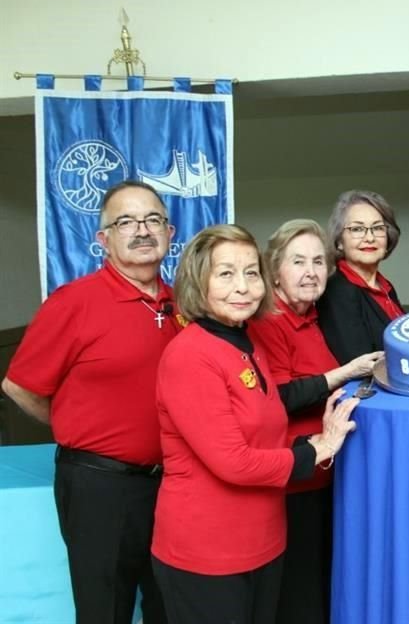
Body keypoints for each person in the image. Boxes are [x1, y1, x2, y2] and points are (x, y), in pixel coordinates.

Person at [150, 224, 359, 624]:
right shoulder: (190, 355)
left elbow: (267, 436)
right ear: (199, 281)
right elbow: (234, 462)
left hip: (264, 543)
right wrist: (319, 449)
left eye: (251, 272)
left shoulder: (246, 344)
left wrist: (317, 436)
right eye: (225, 273)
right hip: (207, 554)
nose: (243, 286)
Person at [2, 181, 177, 624]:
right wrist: (78, 430)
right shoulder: (73, 302)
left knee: (170, 604)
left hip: (173, 484)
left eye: (153, 219)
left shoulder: (184, 303)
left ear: (170, 233)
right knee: (105, 611)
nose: (142, 230)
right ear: (103, 239)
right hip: (100, 488)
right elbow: (19, 386)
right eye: (126, 222)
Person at [247, 219, 382, 623]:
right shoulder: (267, 321)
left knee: (325, 590)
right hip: (294, 482)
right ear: (274, 270)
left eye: (319, 262)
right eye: (298, 261)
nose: (310, 272)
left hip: (328, 477)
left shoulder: (315, 316)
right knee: (300, 598)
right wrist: (343, 372)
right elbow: (280, 398)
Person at [316, 189, 404, 364]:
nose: (369, 237)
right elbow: (360, 363)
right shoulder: (337, 290)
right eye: (357, 229)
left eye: (378, 228)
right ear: (340, 241)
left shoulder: (386, 287)